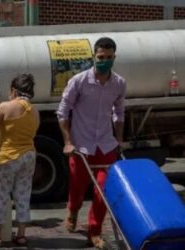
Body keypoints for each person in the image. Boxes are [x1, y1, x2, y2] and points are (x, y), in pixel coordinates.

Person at [56, 37, 126, 249]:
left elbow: (119, 111)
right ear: (93, 57)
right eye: (101, 57)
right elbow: (63, 111)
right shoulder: (79, 81)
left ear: (115, 57)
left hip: (105, 144)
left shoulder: (119, 83)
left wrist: (119, 137)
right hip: (81, 144)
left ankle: (94, 231)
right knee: (78, 187)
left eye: (109, 57)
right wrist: (68, 141)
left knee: (102, 190)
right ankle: (73, 209)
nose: (104, 61)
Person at [0, 73, 40, 248]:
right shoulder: (34, 111)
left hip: (6, 157)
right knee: (23, 195)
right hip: (29, 155)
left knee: (0, 196)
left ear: (13, 90)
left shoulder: (4, 107)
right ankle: (21, 235)